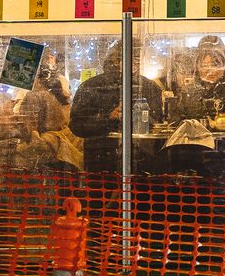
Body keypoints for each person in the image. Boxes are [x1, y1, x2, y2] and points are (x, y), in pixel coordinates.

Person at [69, 41, 163, 177]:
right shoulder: (92, 86)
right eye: (131, 56)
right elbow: (76, 125)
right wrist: (108, 118)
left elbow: (157, 124)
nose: (135, 62)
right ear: (115, 58)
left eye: (137, 58)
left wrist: (141, 117)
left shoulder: (150, 88)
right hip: (101, 163)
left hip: (141, 163)